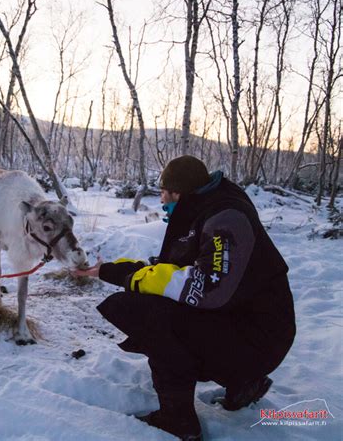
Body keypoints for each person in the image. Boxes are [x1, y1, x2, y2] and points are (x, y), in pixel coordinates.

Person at [73, 156, 296, 441]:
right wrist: (108, 271)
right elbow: (173, 270)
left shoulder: (225, 219)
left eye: (163, 193)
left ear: (177, 192)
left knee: (146, 313)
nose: (161, 200)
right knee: (156, 302)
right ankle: (242, 384)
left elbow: (206, 288)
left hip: (261, 339)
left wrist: (136, 282)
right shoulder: (204, 210)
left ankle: (178, 420)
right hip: (251, 329)